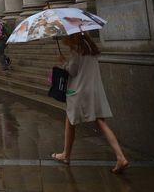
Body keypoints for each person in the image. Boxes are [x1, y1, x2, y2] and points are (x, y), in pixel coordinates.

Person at [52, 32, 129, 174]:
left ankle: (66, 155)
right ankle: (120, 156)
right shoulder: (89, 46)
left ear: (71, 36)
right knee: (93, 122)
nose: (64, 38)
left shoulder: (76, 48)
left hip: (80, 92)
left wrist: (63, 62)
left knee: (72, 119)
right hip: (93, 90)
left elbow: (73, 71)